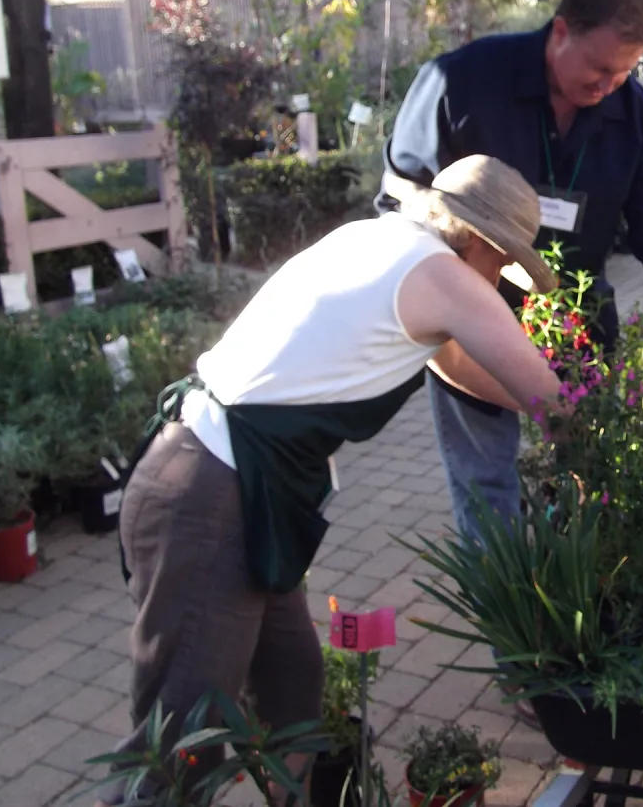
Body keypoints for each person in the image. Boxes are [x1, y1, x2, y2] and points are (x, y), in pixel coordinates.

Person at [101, 156, 564, 805]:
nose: (501, 285)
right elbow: (553, 398)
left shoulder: (380, 240)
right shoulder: (449, 280)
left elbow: (460, 367)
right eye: (503, 266)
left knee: (292, 687)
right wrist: (593, 416)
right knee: (179, 744)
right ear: (484, 243)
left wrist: (538, 399)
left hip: (234, 491)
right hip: (211, 499)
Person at [379, 0, 643, 546]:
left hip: (577, 322)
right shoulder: (460, 85)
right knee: (488, 490)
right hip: (470, 322)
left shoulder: (638, 118)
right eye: (599, 68)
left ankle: (576, 620)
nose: (609, 85)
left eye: (624, 73)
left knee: (592, 485)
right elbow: (399, 209)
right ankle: (513, 627)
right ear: (559, 33)